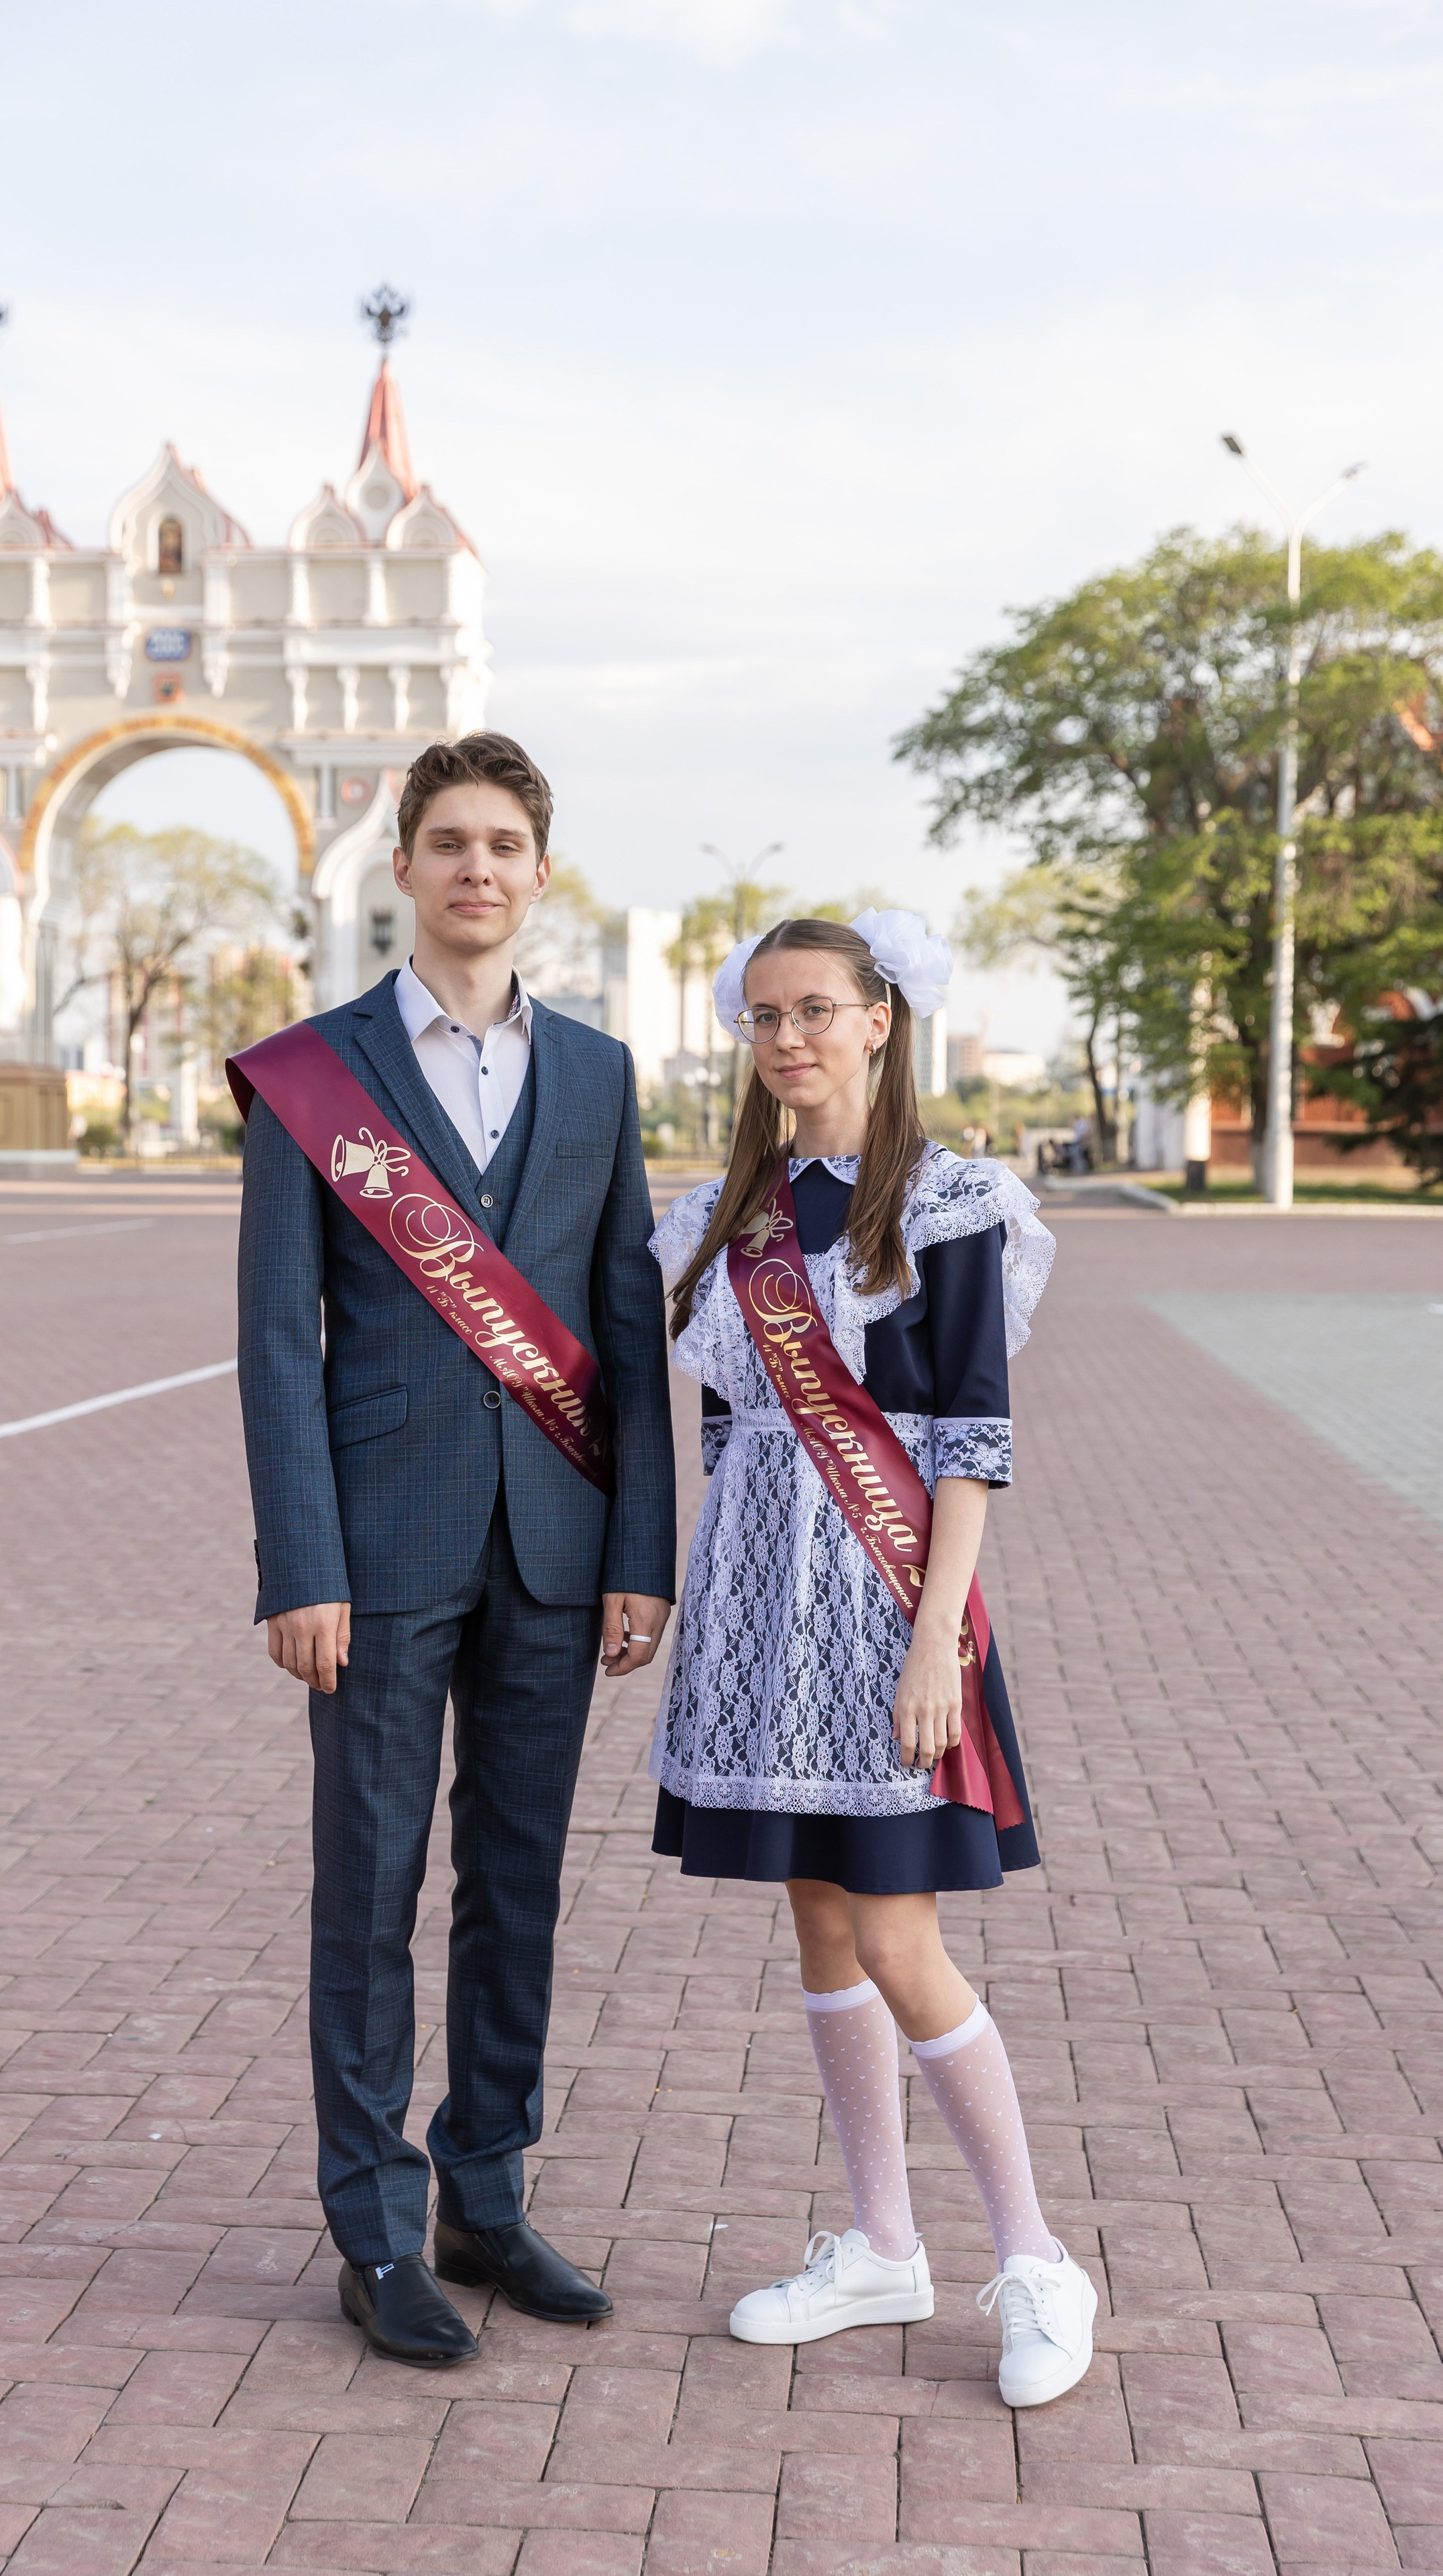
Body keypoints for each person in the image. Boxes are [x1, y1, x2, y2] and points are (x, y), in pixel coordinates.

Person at [233, 732, 676, 2372]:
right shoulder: (312, 1075)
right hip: (378, 1552)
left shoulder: (602, 1075)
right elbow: (279, 1338)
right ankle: (375, 2228)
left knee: (517, 1888)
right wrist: (299, 1564)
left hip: (558, 1551)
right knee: (366, 1893)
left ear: (537, 873)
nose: (474, 868)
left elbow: (626, 1320)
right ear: (403, 868)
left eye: (502, 843)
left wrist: (644, 1549)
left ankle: (484, 2195)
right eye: (446, 843)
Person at [648, 911, 1094, 2412]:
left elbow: (970, 1440)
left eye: (816, 1010)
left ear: (879, 1020)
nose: (786, 1039)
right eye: (763, 1015)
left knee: (901, 1940)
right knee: (820, 1927)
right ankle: (880, 2247)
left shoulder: (952, 1200)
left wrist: (930, 1646)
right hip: (759, 1609)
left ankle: (1034, 2258)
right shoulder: (731, 1211)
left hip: (891, 1600)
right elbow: (722, 1421)